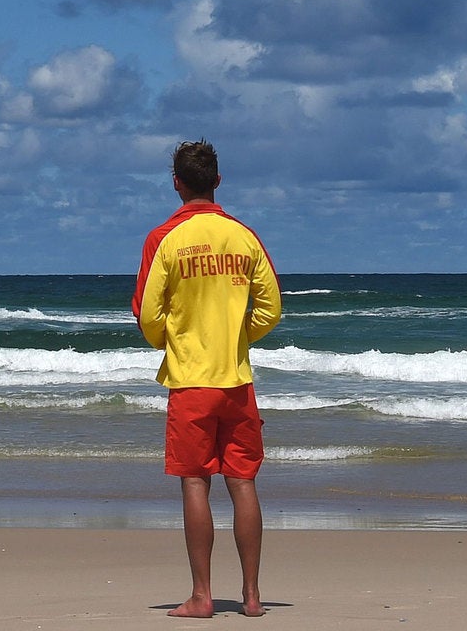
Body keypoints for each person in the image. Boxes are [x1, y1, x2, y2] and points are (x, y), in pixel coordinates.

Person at [132, 140, 281, 619]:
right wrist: (238, 337)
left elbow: (146, 311)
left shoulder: (166, 239)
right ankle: (253, 596)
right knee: (243, 483)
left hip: (192, 382)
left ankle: (202, 596)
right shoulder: (244, 236)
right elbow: (272, 308)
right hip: (237, 380)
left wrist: (170, 342)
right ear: (218, 181)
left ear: (176, 183)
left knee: (195, 482)